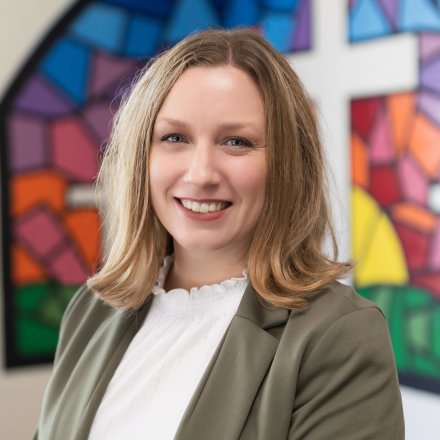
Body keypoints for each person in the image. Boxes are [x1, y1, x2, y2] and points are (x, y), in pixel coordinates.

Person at [35, 28, 404, 439]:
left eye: (236, 142)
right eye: (175, 137)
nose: (201, 174)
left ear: (287, 164)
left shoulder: (339, 335)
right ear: (142, 156)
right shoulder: (92, 310)